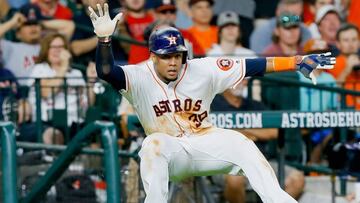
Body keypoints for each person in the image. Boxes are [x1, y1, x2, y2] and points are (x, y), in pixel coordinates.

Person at [89, 3, 335, 203]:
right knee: (152, 144)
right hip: (171, 152)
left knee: (240, 143)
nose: (173, 62)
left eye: (178, 55)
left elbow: (253, 66)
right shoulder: (139, 75)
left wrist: (295, 62)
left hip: (204, 143)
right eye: (166, 57)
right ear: (153, 57)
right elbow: (107, 71)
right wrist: (104, 41)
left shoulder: (202, 69)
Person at [210, 80, 305, 202]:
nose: (240, 82)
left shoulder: (255, 105)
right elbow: (214, 134)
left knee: (297, 179)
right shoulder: (212, 104)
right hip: (226, 163)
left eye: (244, 79)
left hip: (260, 161)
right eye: (236, 78)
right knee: (235, 180)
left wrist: (242, 130)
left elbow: (274, 131)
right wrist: (256, 132)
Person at [28, 33, 96, 140]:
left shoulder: (76, 73)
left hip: (76, 122)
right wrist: (64, 66)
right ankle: (50, 157)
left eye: (61, 47)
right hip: (48, 122)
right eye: (53, 47)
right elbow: (46, 93)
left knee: (97, 134)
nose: (57, 50)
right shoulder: (40, 69)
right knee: (53, 135)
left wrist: (91, 81)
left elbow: (88, 103)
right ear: (46, 50)